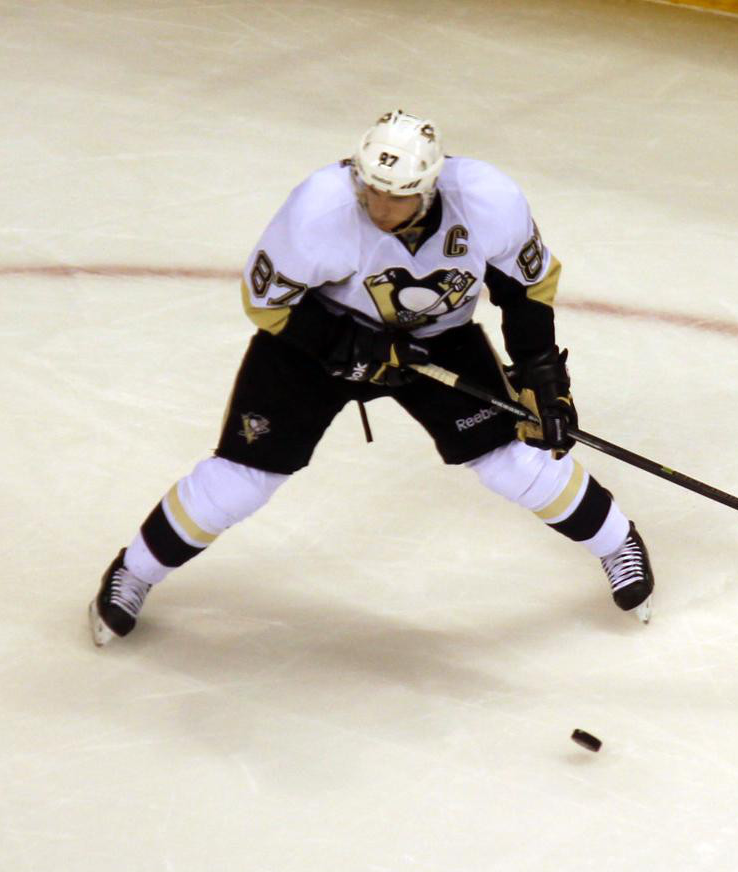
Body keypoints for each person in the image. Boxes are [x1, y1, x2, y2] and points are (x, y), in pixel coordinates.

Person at [88, 110, 655, 646]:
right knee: (242, 478)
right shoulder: (319, 207)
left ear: (429, 188)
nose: (380, 206)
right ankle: (133, 572)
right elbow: (267, 302)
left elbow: (526, 289)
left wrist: (542, 376)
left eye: (398, 195)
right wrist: (347, 347)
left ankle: (618, 543)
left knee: (513, 461)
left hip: (436, 341)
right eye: (372, 189)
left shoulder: (488, 199)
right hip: (314, 341)